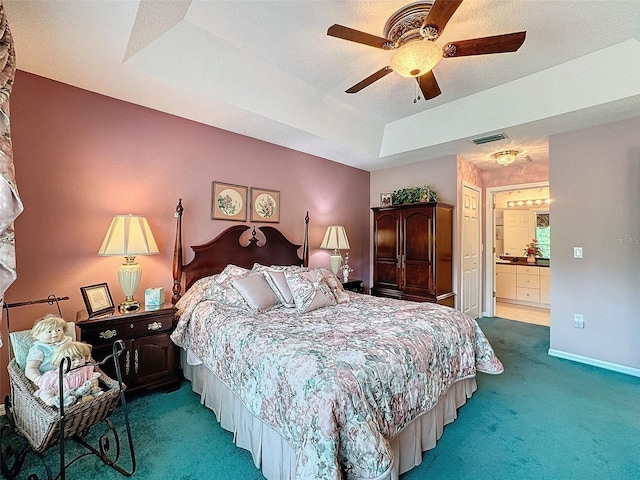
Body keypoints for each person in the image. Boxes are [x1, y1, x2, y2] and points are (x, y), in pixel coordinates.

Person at [34, 341, 102, 407]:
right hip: (63, 397)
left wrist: (95, 388)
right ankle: (54, 402)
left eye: (81, 358)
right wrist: (50, 399)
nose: (78, 361)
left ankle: (81, 403)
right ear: (62, 362)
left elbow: (93, 379)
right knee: (45, 393)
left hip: (81, 393)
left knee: (91, 386)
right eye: (73, 360)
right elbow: (46, 390)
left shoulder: (86, 368)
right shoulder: (54, 376)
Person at [25, 314, 72, 384]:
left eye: (58, 330)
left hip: (70, 373)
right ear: (37, 335)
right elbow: (31, 368)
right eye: (49, 331)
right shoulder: (38, 349)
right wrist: (38, 379)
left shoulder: (67, 342)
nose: (55, 333)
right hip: (48, 378)